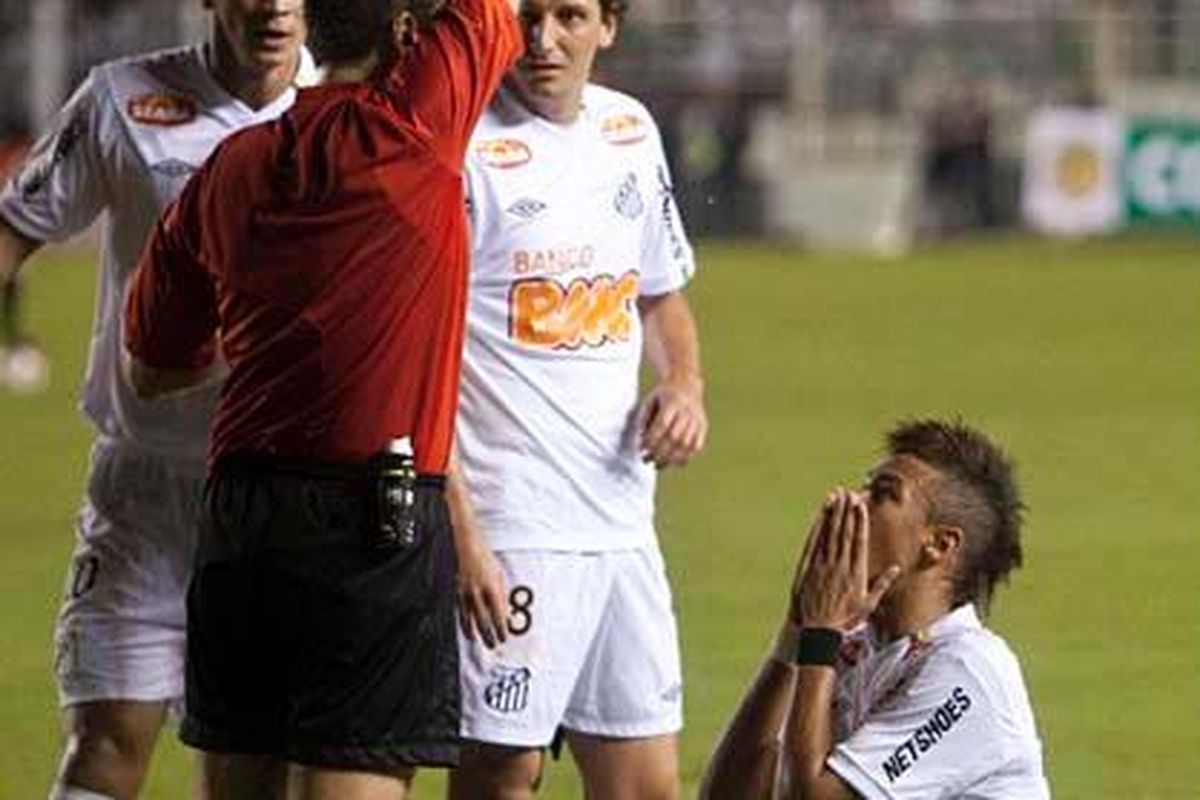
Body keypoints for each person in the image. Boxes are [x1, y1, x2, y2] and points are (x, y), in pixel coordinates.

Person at [122, 0, 522, 796]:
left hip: (241, 519)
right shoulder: (415, 128)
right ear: (407, 36)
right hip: (370, 523)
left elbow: (151, 367)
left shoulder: (229, 166)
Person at [0, 2, 311, 796]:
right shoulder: (120, 98)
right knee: (105, 743)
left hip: (277, 499)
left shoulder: (345, 110)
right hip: (142, 487)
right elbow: (13, 230)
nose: (275, 7)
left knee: (251, 770)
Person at [447, 1, 707, 797]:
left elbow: (659, 297)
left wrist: (684, 385)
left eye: (569, 15)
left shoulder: (629, 131)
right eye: (526, 16)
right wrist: (461, 537)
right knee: (502, 772)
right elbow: (418, 360)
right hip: (513, 524)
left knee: (644, 784)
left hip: (623, 524)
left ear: (609, 26)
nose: (543, 40)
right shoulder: (463, 149)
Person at [700, 419, 1051, 799]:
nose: (851, 502)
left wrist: (819, 635)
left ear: (939, 545)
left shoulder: (968, 672)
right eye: (864, 486)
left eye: (882, 494)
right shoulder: (856, 645)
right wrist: (796, 631)